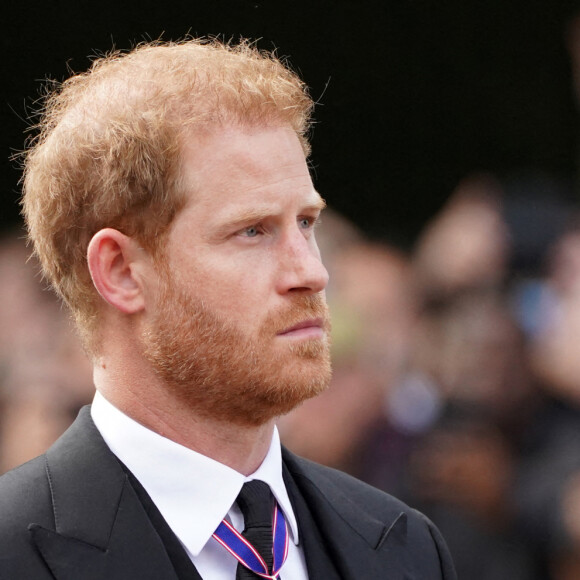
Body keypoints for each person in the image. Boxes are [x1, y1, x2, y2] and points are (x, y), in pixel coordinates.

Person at [0, 38, 456, 579]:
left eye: (306, 223)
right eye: (253, 231)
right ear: (121, 271)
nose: (312, 272)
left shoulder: (405, 548)